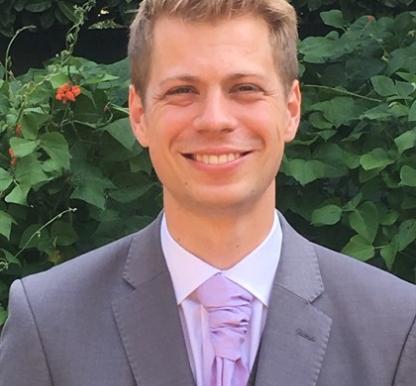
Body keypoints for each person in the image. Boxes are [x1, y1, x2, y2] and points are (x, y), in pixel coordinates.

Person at [1, 0, 415, 385]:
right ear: (140, 115)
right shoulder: (48, 323)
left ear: (291, 111)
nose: (215, 120)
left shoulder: (395, 327)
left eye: (245, 88)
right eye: (182, 91)